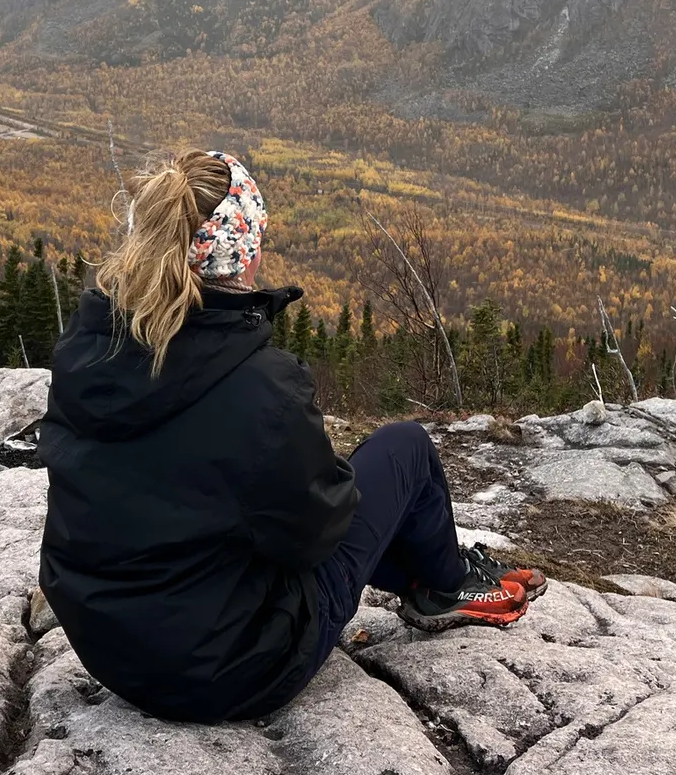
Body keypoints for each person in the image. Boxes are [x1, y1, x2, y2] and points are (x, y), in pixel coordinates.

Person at [37, 149, 545, 724]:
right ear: (245, 248)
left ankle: (430, 574)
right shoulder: (260, 386)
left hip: (105, 646)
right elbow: (313, 538)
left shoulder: (87, 347)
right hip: (230, 672)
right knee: (405, 451)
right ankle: (449, 584)